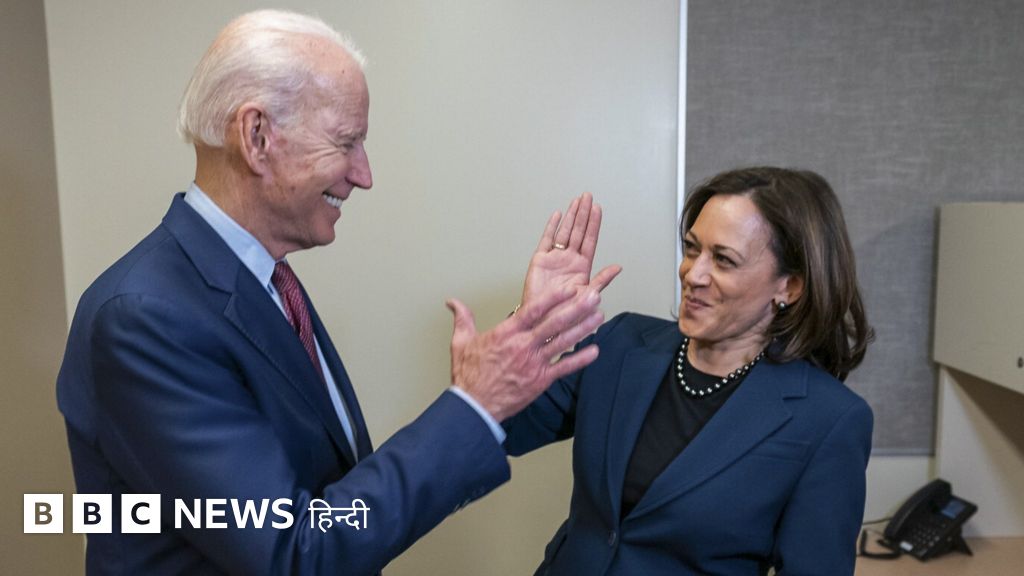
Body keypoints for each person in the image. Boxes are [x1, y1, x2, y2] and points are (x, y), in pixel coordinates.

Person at [56, 10, 615, 576]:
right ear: (257, 137)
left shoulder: (264, 277)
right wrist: (474, 405)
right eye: (347, 142)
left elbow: (326, 494)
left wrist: (522, 346)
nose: (364, 175)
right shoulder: (146, 317)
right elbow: (295, 552)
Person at [505, 166, 875, 575]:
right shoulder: (623, 343)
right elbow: (506, 429)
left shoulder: (828, 419)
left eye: (724, 260)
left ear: (789, 287)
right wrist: (530, 327)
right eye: (692, 248)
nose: (692, 274)